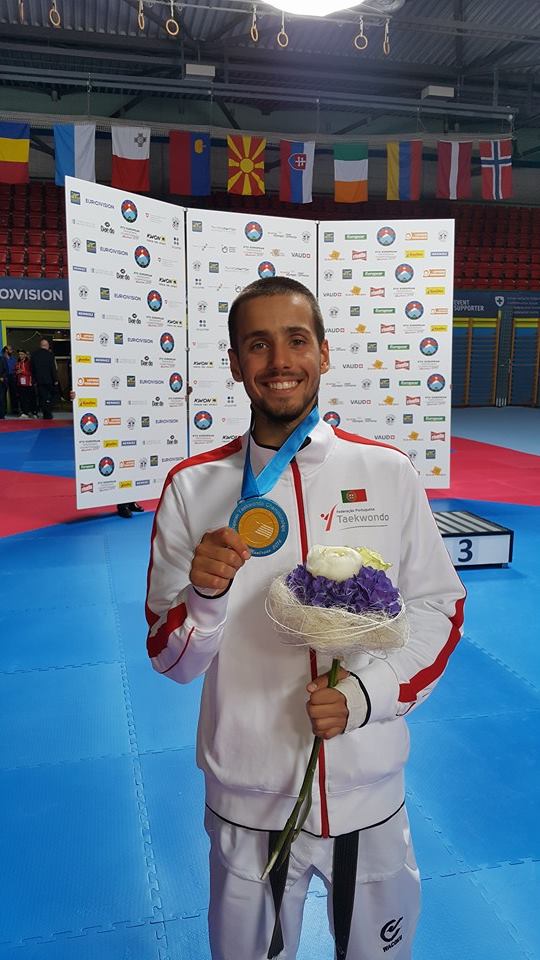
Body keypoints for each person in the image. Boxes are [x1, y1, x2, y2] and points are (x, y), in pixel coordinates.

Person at [145, 277, 466, 960]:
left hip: (368, 788)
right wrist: (204, 597)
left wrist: (365, 697)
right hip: (248, 796)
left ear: (323, 351)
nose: (279, 361)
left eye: (296, 340)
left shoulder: (387, 472)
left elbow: (440, 607)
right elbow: (171, 661)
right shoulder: (193, 488)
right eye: (257, 345)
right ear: (236, 364)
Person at [68, 389, 144, 518]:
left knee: (132, 461)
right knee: (118, 461)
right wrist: (75, 396)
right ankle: (122, 504)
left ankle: (131, 500)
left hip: (131, 420)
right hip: (109, 423)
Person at [31, 338, 59, 420]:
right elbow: (52, 368)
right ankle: (48, 408)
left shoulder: (34, 354)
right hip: (49, 380)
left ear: (40, 345)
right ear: (47, 345)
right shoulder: (50, 355)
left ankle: (46, 415)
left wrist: (34, 380)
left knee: (43, 397)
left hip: (39, 380)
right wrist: (55, 379)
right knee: (56, 395)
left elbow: (32, 368)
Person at [15, 350, 38, 418]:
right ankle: (25, 412)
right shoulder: (18, 363)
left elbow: (32, 372)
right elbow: (15, 371)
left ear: (25, 355)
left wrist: (22, 372)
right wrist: (16, 372)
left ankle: (34, 412)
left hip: (29, 383)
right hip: (21, 384)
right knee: (23, 399)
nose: (20, 356)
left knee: (31, 398)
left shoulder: (29, 363)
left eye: (22, 354)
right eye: (19, 354)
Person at [2, 345, 20, 416]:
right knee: (3, 394)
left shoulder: (13, 359)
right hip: (4, 377)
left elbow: (16, 367)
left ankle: (15, 410)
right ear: (6, 350)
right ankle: (4, 410)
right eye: (10, 349)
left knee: (14, 393)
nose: (12, 350)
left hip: (13, 377)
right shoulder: (1, 359)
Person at [0, 347, 8, 420]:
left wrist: (2, 377)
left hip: (1, 382)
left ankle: (2, 415)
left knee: (1, 399)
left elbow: (6, 370)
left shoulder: (2, 359)